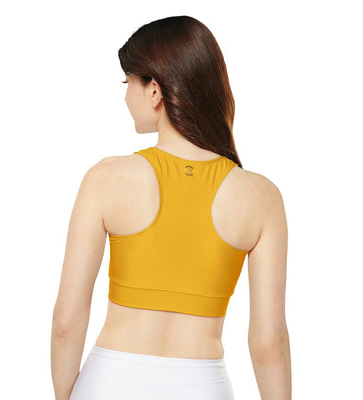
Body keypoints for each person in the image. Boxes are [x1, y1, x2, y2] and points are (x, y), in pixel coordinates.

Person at [51, 15, 291, 400]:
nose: (125, 97)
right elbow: (269, 343)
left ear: (154, 91)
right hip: (204, 387)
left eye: (127, 83)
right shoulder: (261, 196)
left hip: (110, 382)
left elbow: (67, 322)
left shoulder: (106, 178)